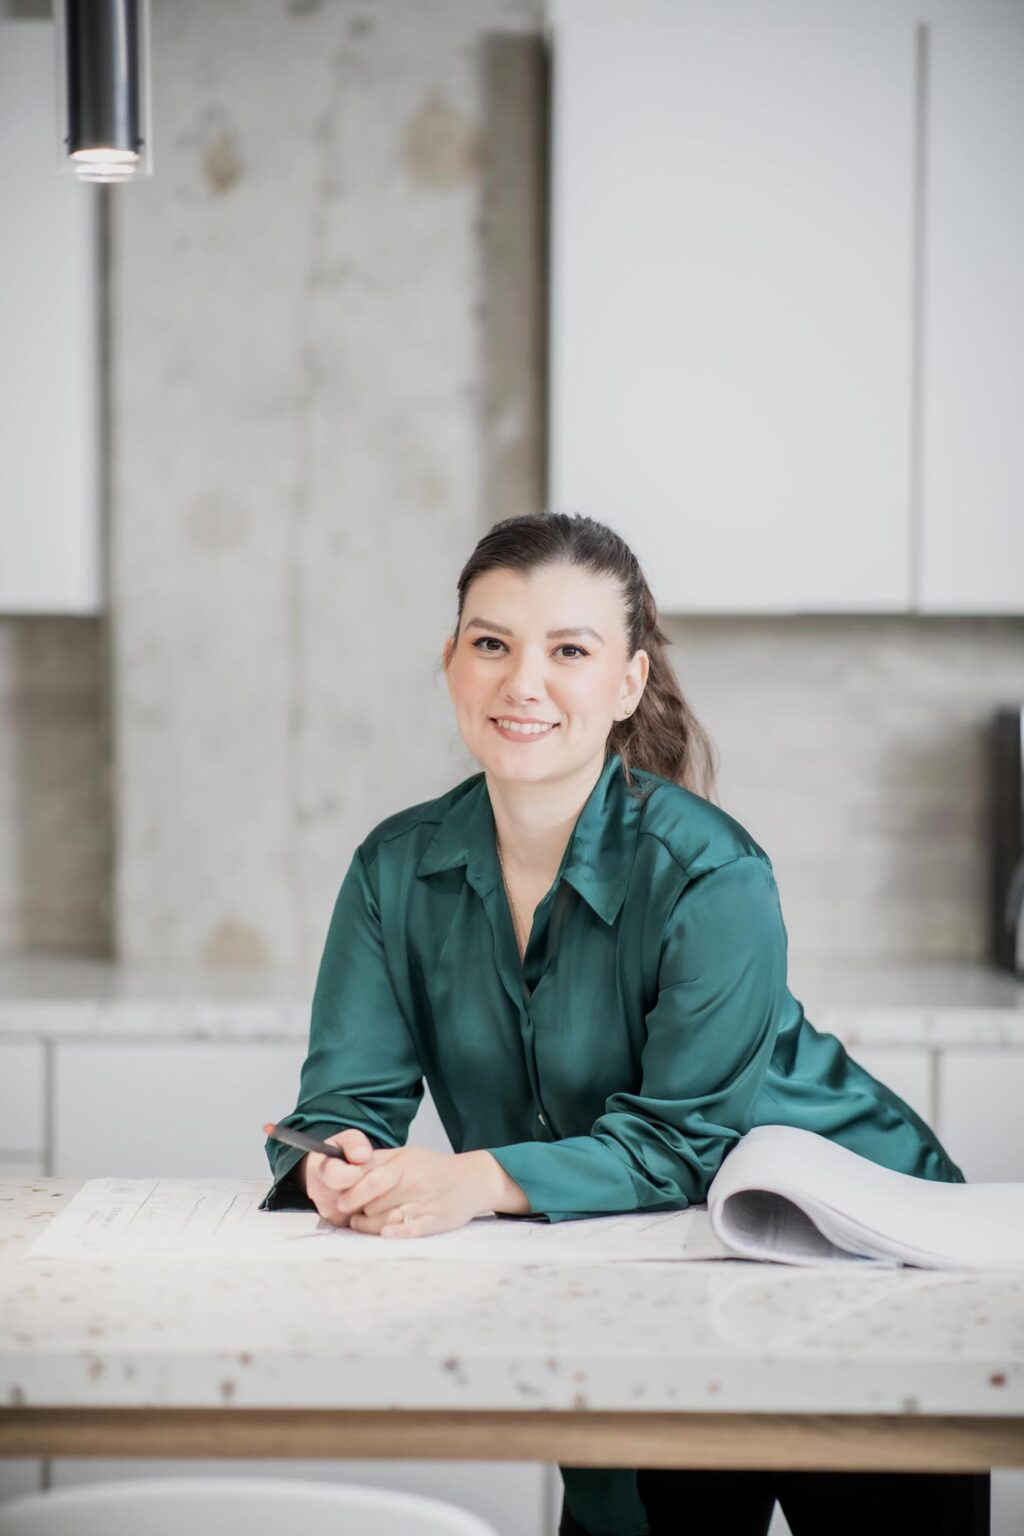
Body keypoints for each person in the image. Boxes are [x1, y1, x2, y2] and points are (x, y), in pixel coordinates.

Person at [261, 512, 987, 1536]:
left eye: (569, 650)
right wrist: (333, 1162)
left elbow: (684, 1137)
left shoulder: (711, 871)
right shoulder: (392, 871)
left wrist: (472, 1180)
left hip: (855, 1257)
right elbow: (346, 1103)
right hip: (629, 1260)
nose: (523, 683)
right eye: (492, 643)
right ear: (451, 663)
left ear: (628, 683)